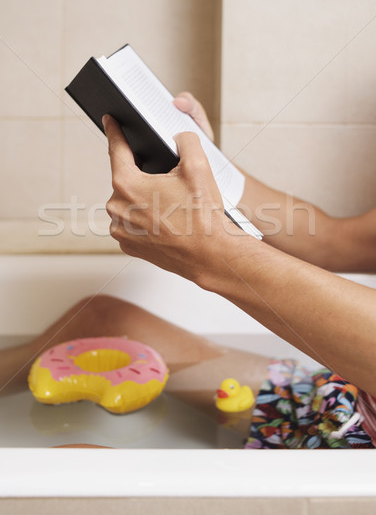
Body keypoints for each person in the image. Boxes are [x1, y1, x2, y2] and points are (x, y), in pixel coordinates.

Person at [99, 91, 376, 447]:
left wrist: (217, 252)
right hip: (347, 394)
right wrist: (205, 170)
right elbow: (336, 241)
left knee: (75, 466)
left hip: (357, 458)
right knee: (104, 322)